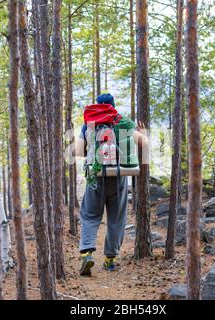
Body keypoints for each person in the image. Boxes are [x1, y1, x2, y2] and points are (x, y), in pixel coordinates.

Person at [74, 93, 148, 276]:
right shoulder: (121, 121)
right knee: (116, 218)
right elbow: (144, 143)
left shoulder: (89, 123)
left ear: (98, 106)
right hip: (118, 177)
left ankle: (87, 254)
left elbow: (78, 152)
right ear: (113, 106)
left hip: (95, 175)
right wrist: (143, 134)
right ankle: (110, 260)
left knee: (90, 215)